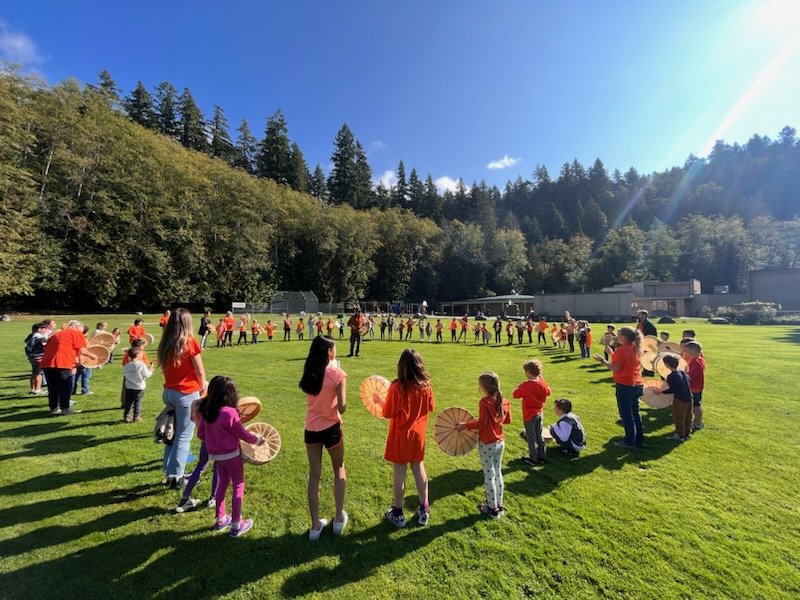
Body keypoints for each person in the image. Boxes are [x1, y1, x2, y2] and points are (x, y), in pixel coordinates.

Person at [198, 375, 265, 538]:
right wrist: (257, 440)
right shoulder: (229, 413)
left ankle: (221, 518)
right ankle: (236, 524)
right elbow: (242, 434)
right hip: (232, 456)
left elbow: (201, 434)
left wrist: (215, 438)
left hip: (217, 456)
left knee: (222, 484)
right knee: (238, 484)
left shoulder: (207, 411)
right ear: (230, 394)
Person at [300, 336, 348, 541]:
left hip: (311, 429)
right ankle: (338, 519)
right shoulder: (337, 373)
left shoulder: (310, 370)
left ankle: (315, 526)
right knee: (339, 468)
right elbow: (343, 407)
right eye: (334, 347)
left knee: (314, 475)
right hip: (331, 428)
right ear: (329, 351)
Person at [383, 349, 435, 527]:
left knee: (399, 471)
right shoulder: (426, 386)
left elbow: (387, 412)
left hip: (400, 435)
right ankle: (424, 508)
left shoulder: (397, 387)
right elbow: (430, 407)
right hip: (418, 436)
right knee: (418, 468)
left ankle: (397, 512)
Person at [158, 308, 208, 489]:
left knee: (173, 435)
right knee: (183, 437)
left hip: (169, 392)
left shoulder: (166, 342)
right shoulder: (189, 342)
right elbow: (200, 370)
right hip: (186, 394)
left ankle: (169, 469)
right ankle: (176, 476)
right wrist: (203, 387)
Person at [457, 372, 511, 519]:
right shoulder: (503, 400)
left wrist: (466, 425)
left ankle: (492, 509)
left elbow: (482, 424)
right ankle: (498, 505)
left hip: (488, 443)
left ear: (484, 386)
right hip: (500, 442)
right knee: (498, 472)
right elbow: (506, 420)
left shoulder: (485, 402)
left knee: (489, 475)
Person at [594, 327, 645, 450]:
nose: (617, 336)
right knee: (635, 413)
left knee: (626, 414)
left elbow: (615, 368)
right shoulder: (636, 348)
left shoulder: (622, 350)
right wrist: (612, 354)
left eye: (619, 334)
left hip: (625, 385)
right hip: (637, 384)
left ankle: (629, 442)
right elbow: (625, 362)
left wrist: (603, 361)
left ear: (625, 337)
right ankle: (639, 440)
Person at [40, 320, 97, 416]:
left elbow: (47, 348)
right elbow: (81, 349)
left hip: (47, 363)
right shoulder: (76, 333)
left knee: (53, 387)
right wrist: (93, 356)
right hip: (62, 362)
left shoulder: (57, 334)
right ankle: (65, 408)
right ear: (77, 327)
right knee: (66, 386)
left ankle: (54, 408)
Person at [512, 360, 551, 466]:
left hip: (529, 414)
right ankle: (542, 456)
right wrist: (541, 379)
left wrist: (517, 387)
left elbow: (515, 395)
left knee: (531, 437)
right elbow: (548, 391)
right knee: (539, 434)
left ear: (529, 372)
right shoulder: (542, 384)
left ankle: (533, 458)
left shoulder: (526, 385)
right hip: (539, 413)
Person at [657, 354, 692, 441]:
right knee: (688, 416)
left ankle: (680, 435)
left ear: (667, 365)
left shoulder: (672, 375)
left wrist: (661, 391)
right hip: (688, 397)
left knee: (679, 417)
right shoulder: (682, 372)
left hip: (680, 398)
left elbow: (672, 389)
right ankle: (687, 433)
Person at [123, 347, 153, 423]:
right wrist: (151, 371)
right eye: (141, 353)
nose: (142, 354)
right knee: (137, 402)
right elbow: (146, 375)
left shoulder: (127, 365)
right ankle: (136, 417)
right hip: (139, 387)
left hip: (129, 386)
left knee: (128, 402)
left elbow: (126, 375)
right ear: (137, 355)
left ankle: (126, 416)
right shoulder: (141, 365)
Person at [683, 341, 706, 431]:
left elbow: (691, 375)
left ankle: (697, 422)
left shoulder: (696, 362)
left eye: (687, 351)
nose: (685, 353)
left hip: (694, 387)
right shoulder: (699, 359)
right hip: (697, 386)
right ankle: (697, 421)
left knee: (695, 405)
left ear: (692, 351)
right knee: (697, 404)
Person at [25, 322, 49, 395]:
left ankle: (33, 389)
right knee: (39, 373)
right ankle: (38, 389)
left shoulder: (31, 336)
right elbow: (44, 347)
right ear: (39, 329)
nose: (46, 330)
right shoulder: (40, 338)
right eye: (44, 328)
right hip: (39, 357)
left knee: (34, 373)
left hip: (31, 357)